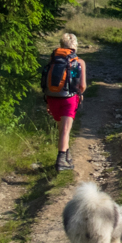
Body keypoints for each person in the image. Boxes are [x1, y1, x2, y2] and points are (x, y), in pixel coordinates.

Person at [44, 33, 87, 171]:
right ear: (75, 45)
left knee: (61, 129)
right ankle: (61, 161)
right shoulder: (79, 62)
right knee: (66, 131)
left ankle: (68, 158)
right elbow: (82, 85)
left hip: (51, 98)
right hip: (69, 99)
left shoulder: (53, 60)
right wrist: (80, 93)